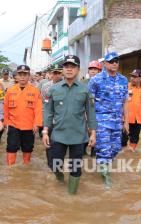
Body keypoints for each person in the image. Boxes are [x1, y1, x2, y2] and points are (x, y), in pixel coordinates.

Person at [42, 55, 97, 195]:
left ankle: (72, 196)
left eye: (72, 67)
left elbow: (91, 113)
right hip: (58, 134)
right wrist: (45, 131)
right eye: (66, 67)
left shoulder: (85, 90)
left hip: (78, 136)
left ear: (78, 69)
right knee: (54, 164)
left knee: (75, 168)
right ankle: (60, 178)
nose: (69, 69)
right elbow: (48, 112)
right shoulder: (54, 89)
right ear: (62, 69)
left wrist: (93, 133)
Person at [88, 52, 129, 187]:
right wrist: (91, 125)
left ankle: (102, 165)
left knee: (116, 149)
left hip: (117, 122)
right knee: (104, 149)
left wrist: (126, 122)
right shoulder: (96, 80)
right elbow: (89, 103)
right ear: (105, 64)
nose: (115, 63)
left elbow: (125, 102)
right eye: (111, 61)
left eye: (116, 61)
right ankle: (106, 177)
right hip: (102, 122)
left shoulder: (123, 80)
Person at [4, 65, 43, 165]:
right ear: (16, 76)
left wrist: (37, 124)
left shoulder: (35, 91)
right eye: (20, 74)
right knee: (11, 147)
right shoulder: (10, 90)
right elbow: (5, 108)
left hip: (29, 126)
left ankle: (26, 166)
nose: (22, 77)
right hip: (13, 125)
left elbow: (38, 109)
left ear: (29, 76)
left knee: (28, 148)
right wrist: (5, 123)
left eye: (25, 74)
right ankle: (10, 167)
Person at [41, 63, 63, 168]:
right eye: (55, 73)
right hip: (50, 119)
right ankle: (50, 164)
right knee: (48, 142)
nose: (57, 75)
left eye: (59, 73)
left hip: (62, 120)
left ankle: (58, 165)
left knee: (60, 144)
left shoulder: (66, 85)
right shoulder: (45, 87)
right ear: (51, 74)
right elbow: (43, 104)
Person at [82, 60, 103, 156]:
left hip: (98, 113)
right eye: (91, 69)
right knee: (84, 133)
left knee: (97, 134)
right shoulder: (82, 83)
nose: (93, 71)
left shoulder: (103, 84)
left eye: (95, 69)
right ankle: (82, 152)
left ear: (100, 71)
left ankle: (94, 153)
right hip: (84, 112)